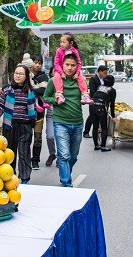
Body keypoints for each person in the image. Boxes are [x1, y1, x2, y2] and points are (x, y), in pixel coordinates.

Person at [43, 54, 85, 187]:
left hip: (77, 123)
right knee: (64, 155)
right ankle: (66, 183)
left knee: (73, 156)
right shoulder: (54, 81)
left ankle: (65, 173)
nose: (70, 68)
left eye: (73, 65)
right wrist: (54, 99)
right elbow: (45, 98)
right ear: (62, 65)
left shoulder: (80, 81)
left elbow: (84, 97)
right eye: (67, 65)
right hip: (60, 122)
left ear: (77, 66)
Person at [0, 64, 37, 184]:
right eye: (16, 73)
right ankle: (10, 178)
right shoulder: (7, 90)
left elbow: (33, 109)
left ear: (26, 76)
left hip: (25, 126)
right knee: (9, 153)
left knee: (24, 153)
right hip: (10, 126)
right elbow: (0, 106)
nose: (18, 76)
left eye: (21, 74)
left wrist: (31, 124)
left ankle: (24, 179)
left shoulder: (30, 91)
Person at [26, 54, 55, 169]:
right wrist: (36, 89)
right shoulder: (24, 74)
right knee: (26, 138)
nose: (37, 65)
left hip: (39, 113)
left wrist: (32, 90)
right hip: (26, 113)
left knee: (37, 138)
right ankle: (26, 159)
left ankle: (35, 160)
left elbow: (44, 91)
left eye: (39, 63)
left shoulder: (43, 77)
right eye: (35, 62)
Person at [52, 32, 92, 105]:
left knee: (81, 78)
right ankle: (60, 95)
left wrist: (77, 73)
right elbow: (56, 63)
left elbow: (79, 63)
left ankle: (85, 95)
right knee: (56, 77)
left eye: (64, 42)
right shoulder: (59, 50)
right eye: (61, 42)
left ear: (71, 43)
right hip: (60, 70)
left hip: (73, 71)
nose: (61, 44)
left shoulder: (75, 51)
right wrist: (61, 72)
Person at [89, 74, 116, 152]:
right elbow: (112, 104)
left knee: (95, 127)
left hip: (92, 106)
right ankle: (103, 146)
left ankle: (96, 145)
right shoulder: (112, 90)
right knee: (104, 128)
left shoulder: (99, 87)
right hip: (100, 108)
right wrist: (113, 116)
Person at [83, 65, 108, 138]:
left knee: (95, 117)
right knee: (91, 117)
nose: (105, 74)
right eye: (104, 73)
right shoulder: (93, 79)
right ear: (100, 72)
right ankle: (86, 132)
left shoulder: (103, 79)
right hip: (93, 101)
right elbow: (92, 91)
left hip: (101, 101)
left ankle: (96, 131)